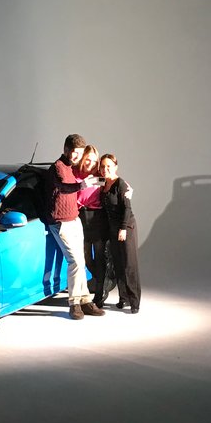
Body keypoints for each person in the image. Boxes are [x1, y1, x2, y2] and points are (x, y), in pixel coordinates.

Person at [45, 134, 105, 320]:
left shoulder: (72, 167)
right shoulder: (58, 167)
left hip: (74, 219)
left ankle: (85, 300)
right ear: (66, 150)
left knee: (81, 261)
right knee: (75, 262)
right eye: (74, 153)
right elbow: (63, 187)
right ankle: (74, 304)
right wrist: (81, 186)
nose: (77, 156)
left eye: (80, 153)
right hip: (60, 221)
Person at [98, 153, 141, 313]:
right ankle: (123, 298)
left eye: (108, 166)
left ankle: (135, 302)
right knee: (118, 264)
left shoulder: (120, 184)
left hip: (126, 227)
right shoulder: (102, 182)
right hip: (112, 229)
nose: (105, 169)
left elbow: (127, 209)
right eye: (103, 166)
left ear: (115, 167)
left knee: (129, 265)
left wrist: (123, 229)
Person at [75, 146, 109, 307]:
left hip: (97, 217)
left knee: (100, 256)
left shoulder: (100, 176)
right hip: (81, 217)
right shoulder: (75, 174)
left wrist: (127, 189)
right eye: (88, 159)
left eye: (95, 161)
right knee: (86, 258)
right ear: (83, 158)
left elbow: (115, 182)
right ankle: (103, 279)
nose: (91, 163)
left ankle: (100, 291)